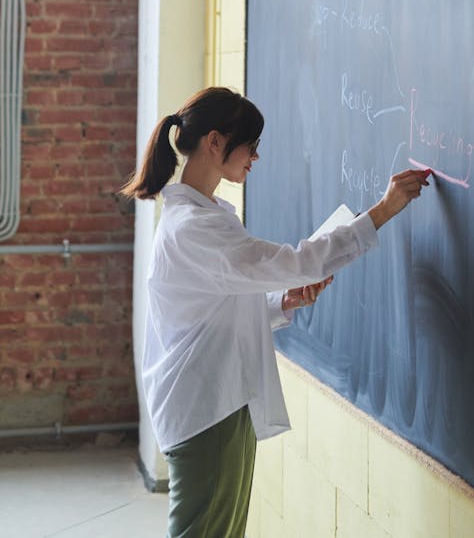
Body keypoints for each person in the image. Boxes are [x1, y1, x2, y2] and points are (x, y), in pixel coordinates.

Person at [121, 86, 430, 538]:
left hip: (219, 402)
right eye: (252, 145)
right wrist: (380, 212)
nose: (255, 158)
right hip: (207, 409)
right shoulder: (196, 228)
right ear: (215, 141)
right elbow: (296, 262)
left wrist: (280, 301)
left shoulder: (202, 219)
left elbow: (213, 313)